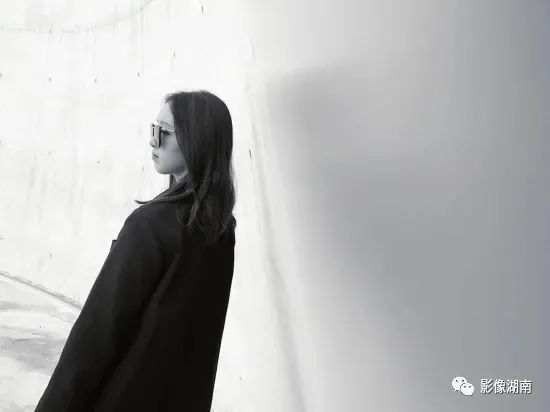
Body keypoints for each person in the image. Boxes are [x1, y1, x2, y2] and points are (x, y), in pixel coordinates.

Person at [34, 90, 237, 411]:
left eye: (165, 131)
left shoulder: (149, 226)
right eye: (153, 129)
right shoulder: (221, 227)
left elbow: (96, 336)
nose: (153, 141)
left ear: (196, 140)